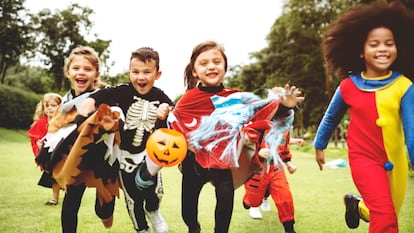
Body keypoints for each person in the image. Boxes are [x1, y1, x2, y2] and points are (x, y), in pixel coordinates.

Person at [167, 40, 304, 233]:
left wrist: (284, 105)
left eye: (216, 61)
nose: (211, 66)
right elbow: (173, 124)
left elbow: (262, 110)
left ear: (224, 67)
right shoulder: (188, 99)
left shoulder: (237, 98)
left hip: (223, 162)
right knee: (187, 212)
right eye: (204, 63)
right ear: (195, 71)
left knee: (224, 208)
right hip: (193, 163)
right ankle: (194, 228)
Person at [313, 1, 414, 232]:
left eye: (389, 44)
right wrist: (319, 145)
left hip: (395, 161)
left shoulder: (404, 86)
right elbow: (330, 118)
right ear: (361, 50)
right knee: (386, 216)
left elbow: (412, 131)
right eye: (374, 44)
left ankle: (356, 206)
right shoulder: (348, 86)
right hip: (363, 159)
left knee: (385, 210)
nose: (382, 49)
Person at [77, 47, 172, 233]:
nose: (141, 77)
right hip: (124, 156)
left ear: (157, 74)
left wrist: (165, 111)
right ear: (129, 72)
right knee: (133, 197)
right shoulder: (121, 91)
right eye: (135, 72)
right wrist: (81, 117)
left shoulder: (161, 96)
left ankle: (153, 211)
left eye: (147, 72)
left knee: (153, 191)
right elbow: (92, 99)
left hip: (149, 155)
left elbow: (173, 116)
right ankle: (141, 229)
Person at [35, 46, 118, 233]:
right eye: (76, 68)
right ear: (68, 72)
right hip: (76, 161)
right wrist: (47, 145)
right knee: (70, 205)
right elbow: (57, 128)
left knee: (103, 211)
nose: (81, 72)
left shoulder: (105, 97)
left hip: (102, 161)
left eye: (87, 69)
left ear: (96, 73)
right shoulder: (65, 104)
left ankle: (105, 211)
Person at [243, 130, 304, 233]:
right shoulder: (258, 122)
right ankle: (247, 201)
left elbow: (283, 149)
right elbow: (242, 143)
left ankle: (289, 229)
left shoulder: (284, 128)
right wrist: (257, 152)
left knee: (285, 197)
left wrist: (288, 163)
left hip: (276, 168)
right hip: (258, 169)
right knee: (254, 201)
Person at [28, 92, 63, 205]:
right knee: (53, 175)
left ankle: (67, 195)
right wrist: (40, 145)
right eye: (47, 106)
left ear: (60, 106)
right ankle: (54, 198)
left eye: (53, 105)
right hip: (48, 155)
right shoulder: (42, 122)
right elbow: (36, 137)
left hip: (62, 153)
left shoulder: (63, 121)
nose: (50, 109)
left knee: (63, 175)